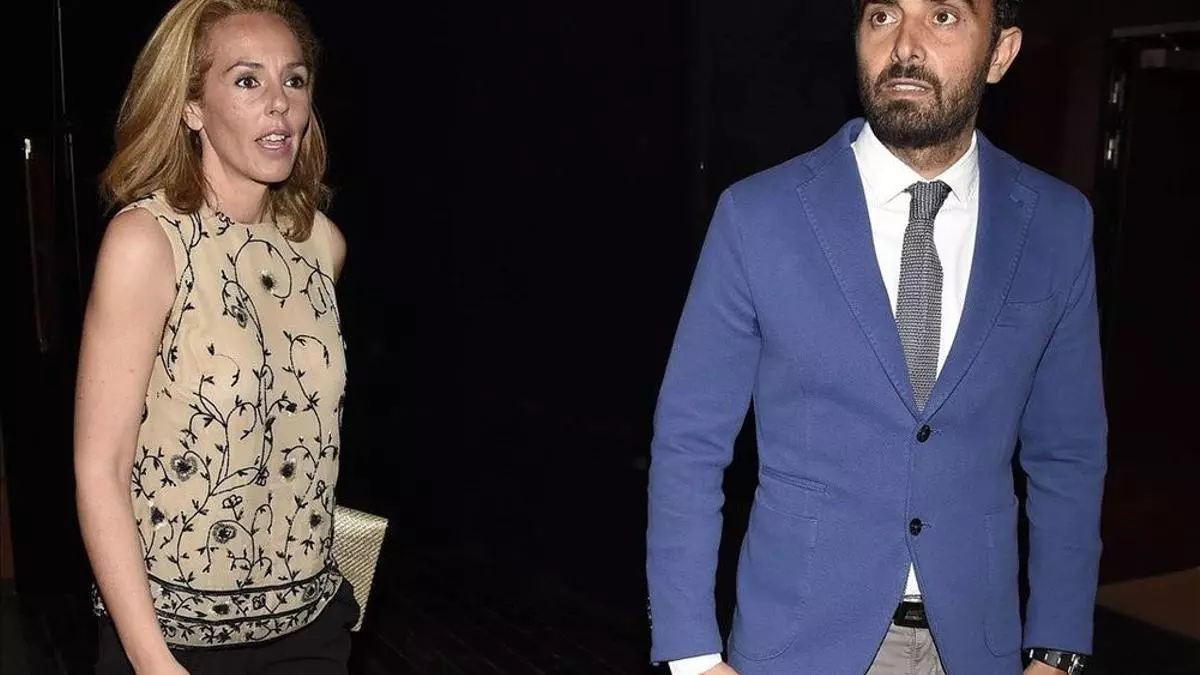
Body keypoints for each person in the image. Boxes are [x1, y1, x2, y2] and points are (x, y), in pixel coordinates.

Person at [646, 0, 1106, 673]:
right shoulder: (759, 215)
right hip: (798, 644)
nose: (906, 46)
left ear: (1001, 53)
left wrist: (1059, 648)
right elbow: (690, 441)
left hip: (978, 644)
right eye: (884, 15)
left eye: (943, 16)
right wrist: (691, 654)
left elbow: (1068, 452)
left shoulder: (1057, 225)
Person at [74, 1, 356, 673]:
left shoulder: (322, 245)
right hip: (173, 644)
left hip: (310, 633)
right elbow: (100, 467)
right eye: (247, 80)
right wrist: (152, 660)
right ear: (192, 107)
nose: (280, 103)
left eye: (293, 80)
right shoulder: (147, 243)